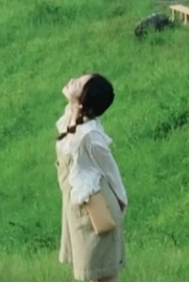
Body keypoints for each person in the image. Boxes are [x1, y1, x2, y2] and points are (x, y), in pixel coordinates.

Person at [55, 73, 127, 282]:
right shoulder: (70, 116)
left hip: (94, 207)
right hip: (76, 205)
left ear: (84, 100)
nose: (72, 80)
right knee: (92, 273)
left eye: (79, 83)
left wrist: (122, 201)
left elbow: (110, 169)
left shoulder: (90, 135)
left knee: (102, 273)